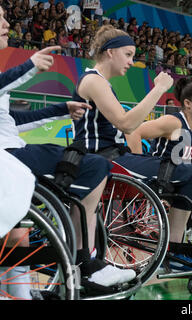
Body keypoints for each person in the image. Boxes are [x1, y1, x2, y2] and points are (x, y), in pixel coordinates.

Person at [0, 6, 135, 298]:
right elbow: (126, 123)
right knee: (92, 165)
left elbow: (11, 121)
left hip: (10, 151)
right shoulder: (93, 80)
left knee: (15, 225)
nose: (6, 22)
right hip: (6, 156)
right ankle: (83, 261)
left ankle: (21, 293)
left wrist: (62, 109)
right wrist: (29, 67)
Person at [70, 25, 192, 257]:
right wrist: (159, 89)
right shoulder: (93, 81)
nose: (131, 61)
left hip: (114, 156)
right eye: (128, 54)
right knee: (191, 173)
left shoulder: (101, 83)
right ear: (110, 52)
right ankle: (172, 248)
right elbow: (127, 124)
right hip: (103, 159)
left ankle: (173, 245)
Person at [126, 77, 192, 200]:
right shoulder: (174, 122)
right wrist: (137, 164)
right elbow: (133, 131)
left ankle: (185, 210)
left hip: (180, 172)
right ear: (188, 103)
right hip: (160, 171)